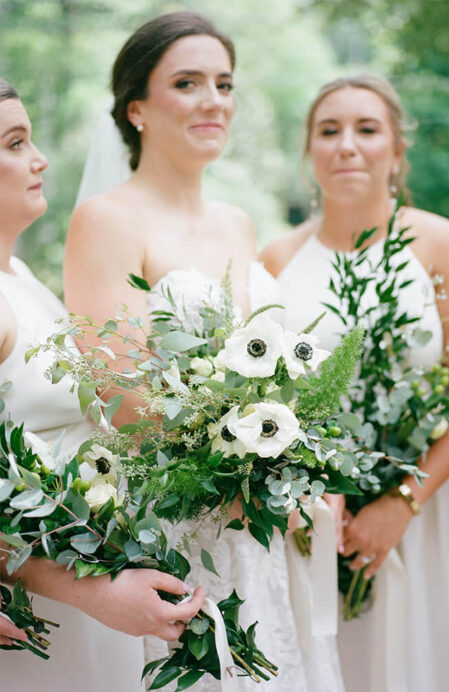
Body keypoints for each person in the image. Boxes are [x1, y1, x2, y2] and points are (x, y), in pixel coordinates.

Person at [61, 13, 342, 690]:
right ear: (137, 109)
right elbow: (122, 394)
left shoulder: (236, 224)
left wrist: (292, 470)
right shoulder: (106, 219)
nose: (215, 100)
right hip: (180, 517)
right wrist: (244, 470)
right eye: (187, 83)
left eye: (224, 83)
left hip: (262, 524)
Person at [261, 74, 449, 691]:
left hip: (426, 510)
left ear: (397, 152)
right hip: (315, 524)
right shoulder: (274, 262)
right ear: (308, 151)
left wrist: (402, 502)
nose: (347, 145)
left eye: (367, 130)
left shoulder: (441, 245)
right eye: (328, 131)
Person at [0, 75, 206, 690]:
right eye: (13, 143)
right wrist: (92, 591)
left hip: (81, 573)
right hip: (49, 597)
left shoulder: (19, 276)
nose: (38, 160)